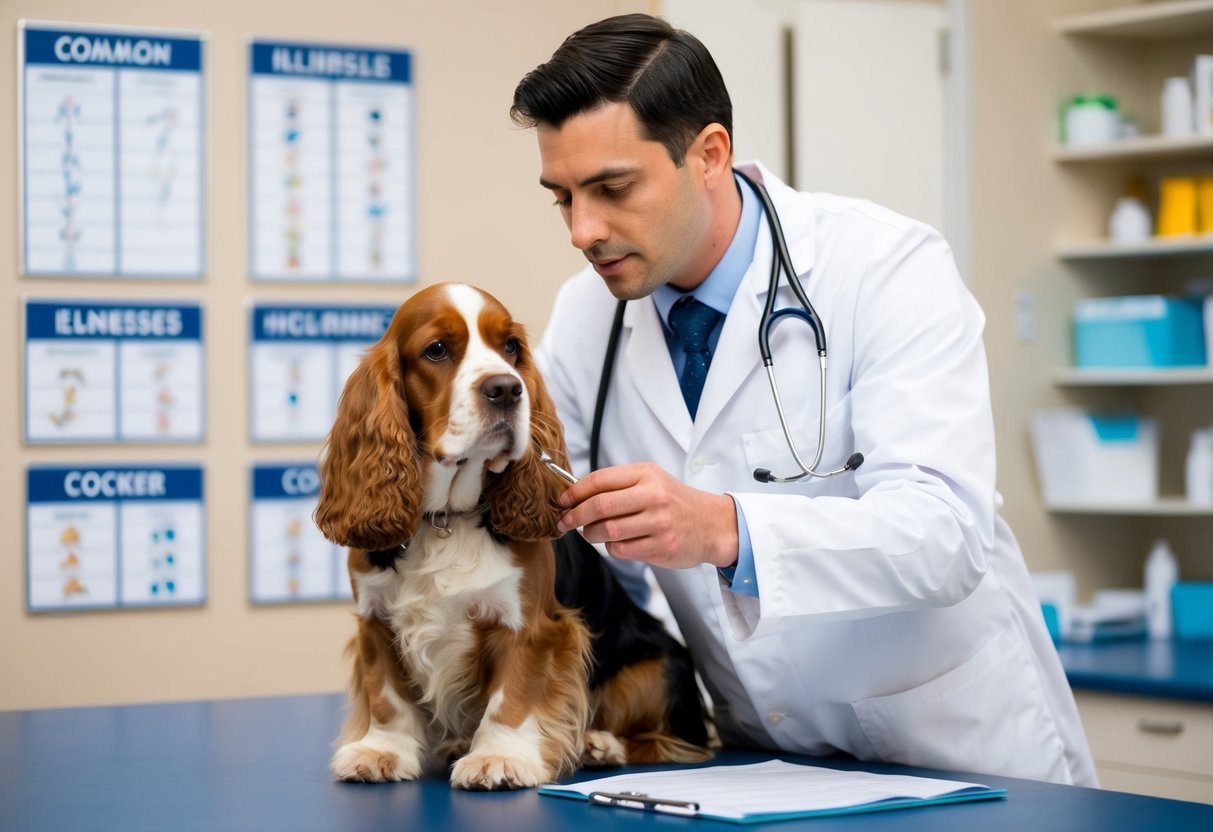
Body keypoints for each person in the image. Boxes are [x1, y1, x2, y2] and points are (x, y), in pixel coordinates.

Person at [511, 13, 1097, 786]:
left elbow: (945, 535)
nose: (583, 231)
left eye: (612, 189)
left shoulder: (885, 269)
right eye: (562, 198)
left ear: (709, 154)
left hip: (952, 753)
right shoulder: (590, 315)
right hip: (762, 763)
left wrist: (724, 528)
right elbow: (548, 506)